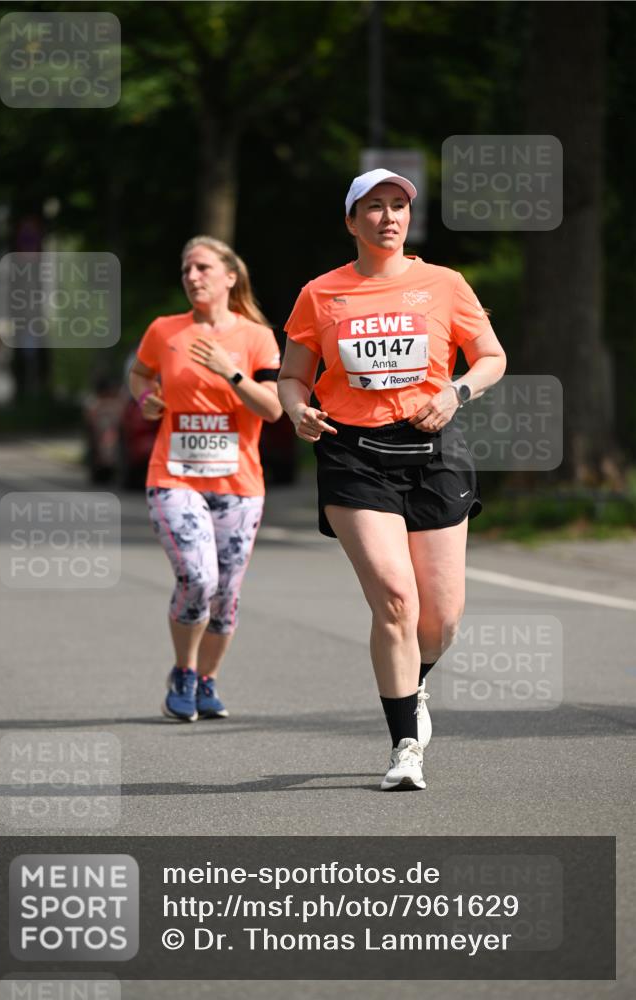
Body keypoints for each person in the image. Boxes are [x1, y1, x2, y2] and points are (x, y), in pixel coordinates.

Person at [278, 168, 507, 790]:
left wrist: (456, 391)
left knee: (443, 617)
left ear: (410, 219)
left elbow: (492, 358)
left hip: (434, 448)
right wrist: (297, 408)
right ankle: (405, 745)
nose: (388, 217)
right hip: (353, 454)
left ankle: (415, 681)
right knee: (397, 600)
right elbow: (293, 376)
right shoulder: (321, 294)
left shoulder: (445, 284)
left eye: (398, 206)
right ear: (351, 221)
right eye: (373, 207)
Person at [129, 236, 282, 722]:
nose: (192, 277)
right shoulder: (164, 330)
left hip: (239, 485)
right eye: (186, 270)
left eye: (202, 268)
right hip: (174, 477)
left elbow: (275, 409)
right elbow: (139, 374)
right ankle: (184, 671)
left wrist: (231, 373)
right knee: (198, 578)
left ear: (229, 277)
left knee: (226, 595)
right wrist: (144, 398)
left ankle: (208, 680)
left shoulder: (256, 337)